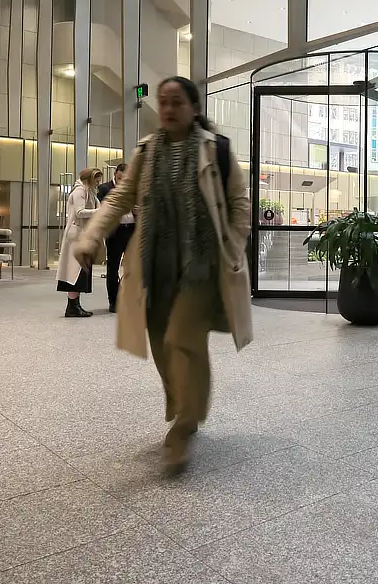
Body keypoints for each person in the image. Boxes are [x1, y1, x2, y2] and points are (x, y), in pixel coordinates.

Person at [72, 76, 252, 474]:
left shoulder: (215, 149)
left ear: (194, 108)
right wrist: (90, 236)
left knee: (183, 338)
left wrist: (233, 248)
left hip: (201, 265)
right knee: (159, 341)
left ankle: (185, 424)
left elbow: (240, 204)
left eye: (177, 102)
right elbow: (120, 196)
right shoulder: (148, 150)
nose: (168, 109)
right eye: (163, 102)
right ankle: (182, 403)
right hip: (155, 264)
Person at [55, 168, 103, 317]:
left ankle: (75, 305)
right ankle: (72, 306)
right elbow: (79, 212)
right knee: (74, 272)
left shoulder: (89, 192)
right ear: (90, 179)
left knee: (79, 273)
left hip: (83, 236)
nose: (98, 183)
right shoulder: (79, 192)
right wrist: (98, 212)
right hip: (76, 237)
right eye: (96, 180)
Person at [97, 163, 136, 313]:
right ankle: (114, 301)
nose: (122, 181)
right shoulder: (104, 189)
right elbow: (100, 209)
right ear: (115, 174)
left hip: (131, 229)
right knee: (113, 267)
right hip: (115, 231)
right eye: (120, 178)